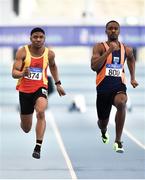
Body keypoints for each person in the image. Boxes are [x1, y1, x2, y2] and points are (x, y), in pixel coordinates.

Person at [12, 27, 66, 159]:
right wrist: (22, 73)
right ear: (31, 38)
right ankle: (23, 120)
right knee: (26, 128)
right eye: (35, 37)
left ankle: (38, 146)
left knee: (41, 111)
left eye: (41, 37)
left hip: (40, 87)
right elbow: (14, 73)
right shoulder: (22, 52)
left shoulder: (49, 54)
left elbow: (53, 66)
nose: (38, 39)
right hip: (24, 91)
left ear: (44, 39)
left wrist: (58, 84)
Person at [91, 20, 138, 153]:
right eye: (110, 28)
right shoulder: (99, 47)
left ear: (119, 31)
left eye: (115, 28)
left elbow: (131, 59)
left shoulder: (126, 49)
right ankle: (104, 131)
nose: (113, 30)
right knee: (102, 122)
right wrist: (108, 52)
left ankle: (118, 141)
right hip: (103, 89)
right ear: (106, 31)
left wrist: (133, 77)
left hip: (119, 86)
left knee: (122, 102)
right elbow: (94, 67)